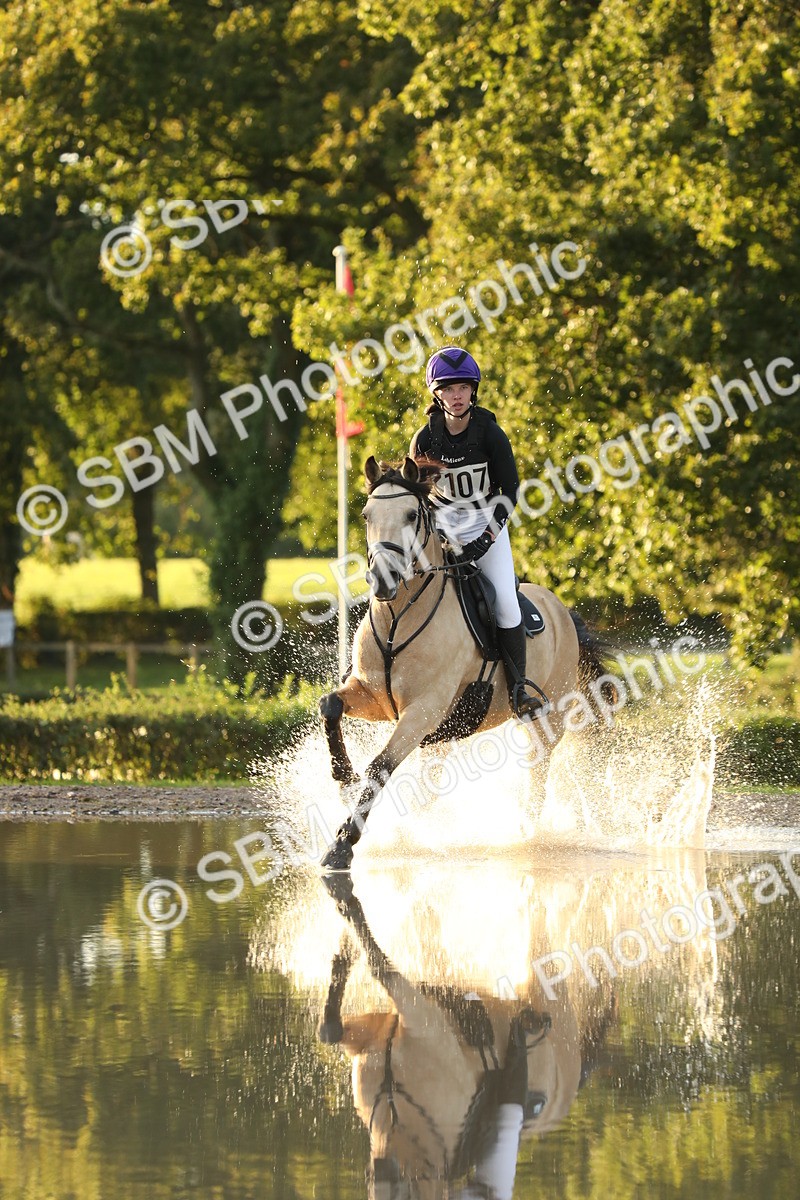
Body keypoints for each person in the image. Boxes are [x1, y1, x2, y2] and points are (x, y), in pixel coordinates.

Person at [409, 346, 544, 719]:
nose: (457, 395)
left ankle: (519, 690)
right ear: (436, 393)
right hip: (441, 528)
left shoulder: (492, 436)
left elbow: (511, 490)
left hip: (486, 525)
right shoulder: (424, 439)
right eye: (449, 388)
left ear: (473, 391)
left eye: (463, 388)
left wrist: (487, 537)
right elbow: (419, 494)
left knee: (504, 599)